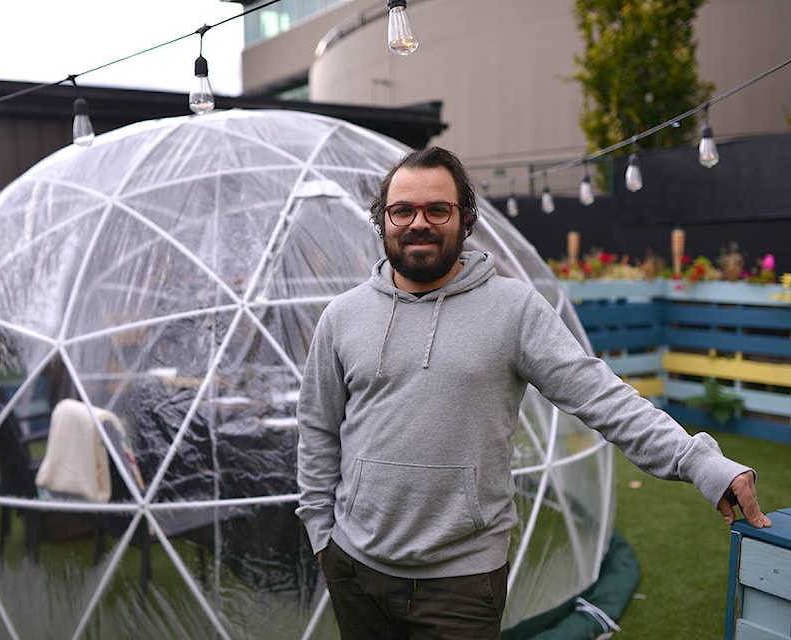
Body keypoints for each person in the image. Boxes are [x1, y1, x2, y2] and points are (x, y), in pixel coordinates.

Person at [295, 146, 770, 639]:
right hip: (354, 570)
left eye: (438, 209)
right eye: (403, 210)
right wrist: (322, 537)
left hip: (461, 583)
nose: (419, 222)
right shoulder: (343, 316)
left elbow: (602, 397)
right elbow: (318, 428)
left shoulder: (513, 309)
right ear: (383, 219)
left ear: (465, 219)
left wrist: (700, 462)